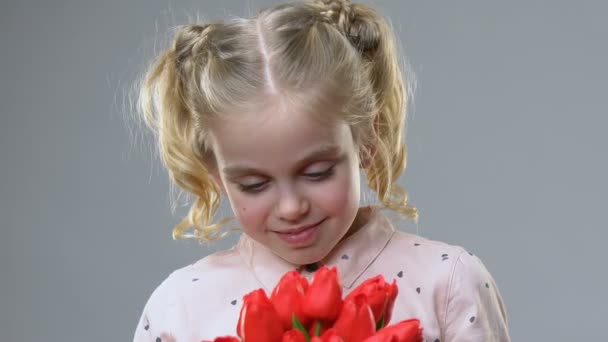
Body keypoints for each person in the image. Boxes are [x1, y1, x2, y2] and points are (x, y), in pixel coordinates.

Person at [132, 0, 510, 341]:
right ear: (216, 174)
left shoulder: (447, 283)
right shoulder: (181, 305)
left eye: (318, 172)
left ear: (366, 141)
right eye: (253, 184)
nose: (291, 207)